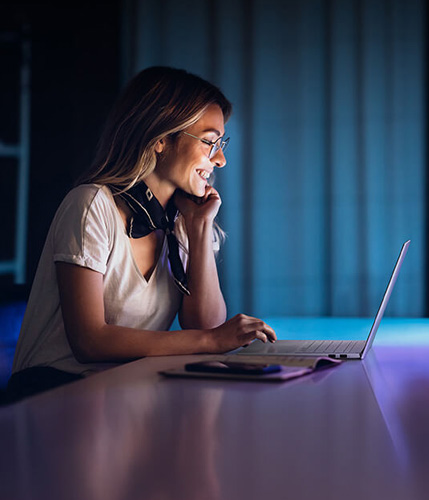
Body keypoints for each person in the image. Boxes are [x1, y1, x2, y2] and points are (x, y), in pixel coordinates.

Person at [8, 66, 276, 401]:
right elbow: (89, 341)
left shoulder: (182, 221)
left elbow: (205, 325)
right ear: (161, 139)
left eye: (221, 143)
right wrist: (212, 342)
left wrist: (200, 227)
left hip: (124, 392)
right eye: (209, 142)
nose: (220, 159)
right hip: (53, 392)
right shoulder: (92, 204)